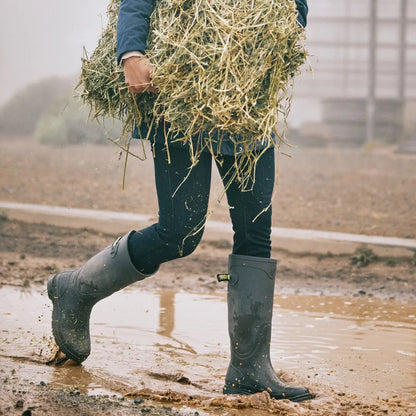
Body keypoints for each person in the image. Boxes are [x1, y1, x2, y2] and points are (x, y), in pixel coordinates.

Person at [48, 0, 312, 403]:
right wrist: (131, 53)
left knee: (256, 232)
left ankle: (249, 369)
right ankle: (77, 288)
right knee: (180, 233)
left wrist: (279, 27)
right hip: (179, 102)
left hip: (246, 102)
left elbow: (295, 8)